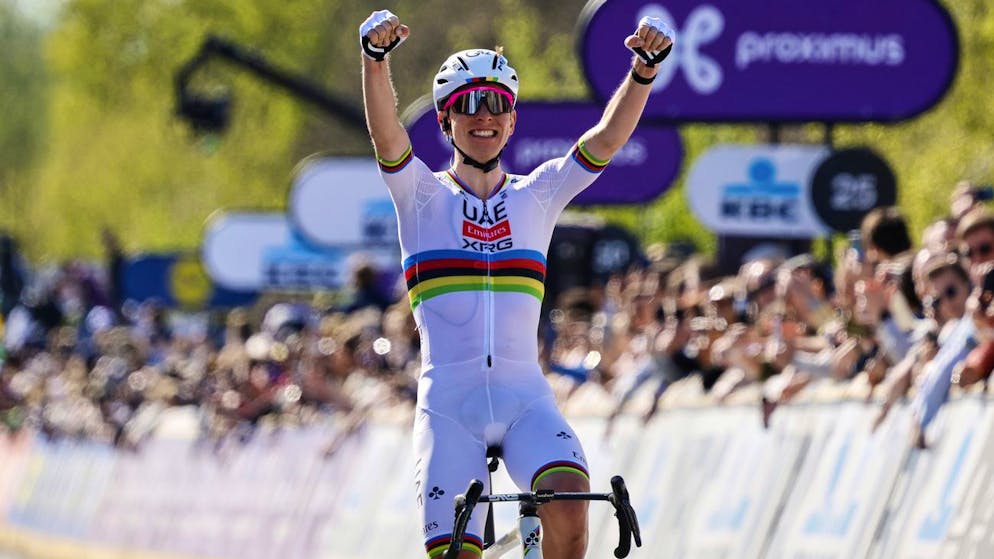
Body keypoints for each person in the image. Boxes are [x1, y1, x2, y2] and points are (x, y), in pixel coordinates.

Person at [358, 9, 674, 559]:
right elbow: (386, 135)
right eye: (469, 106)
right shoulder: (420, 195)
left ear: (512, 121)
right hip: (449, 406)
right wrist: (375, 61)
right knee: (457, 551)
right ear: (444, 121)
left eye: (498, 104)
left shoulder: (540, 193)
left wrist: (642, 71)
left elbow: (606, 138)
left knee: (574, 506)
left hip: (525, 397)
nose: (485, 117)